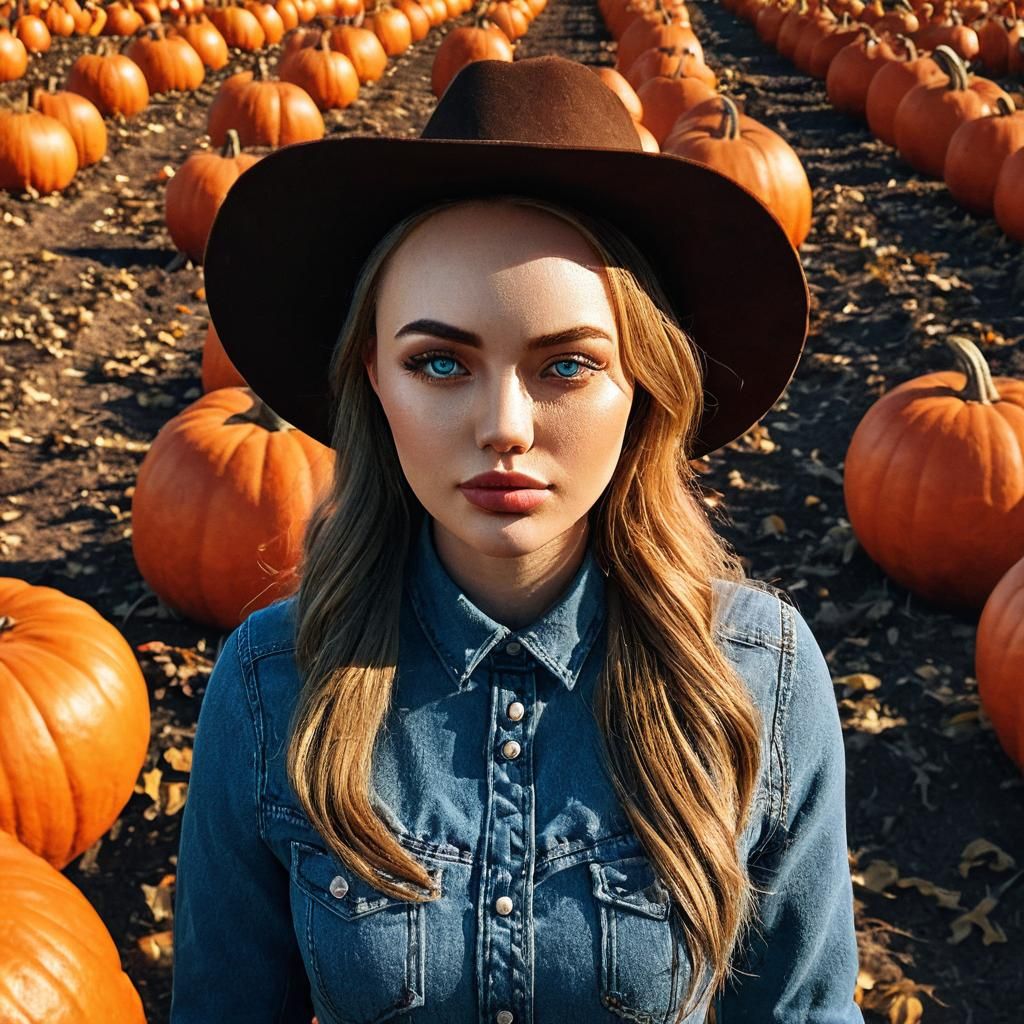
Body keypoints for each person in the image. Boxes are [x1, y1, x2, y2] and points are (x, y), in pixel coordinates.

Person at [170, 56, 863, 1024]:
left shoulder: (757, 672)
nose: (503, 424)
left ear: (644, 384)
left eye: (567, 365)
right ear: (374, 376)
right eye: (441, 360)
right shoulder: (270, 682)